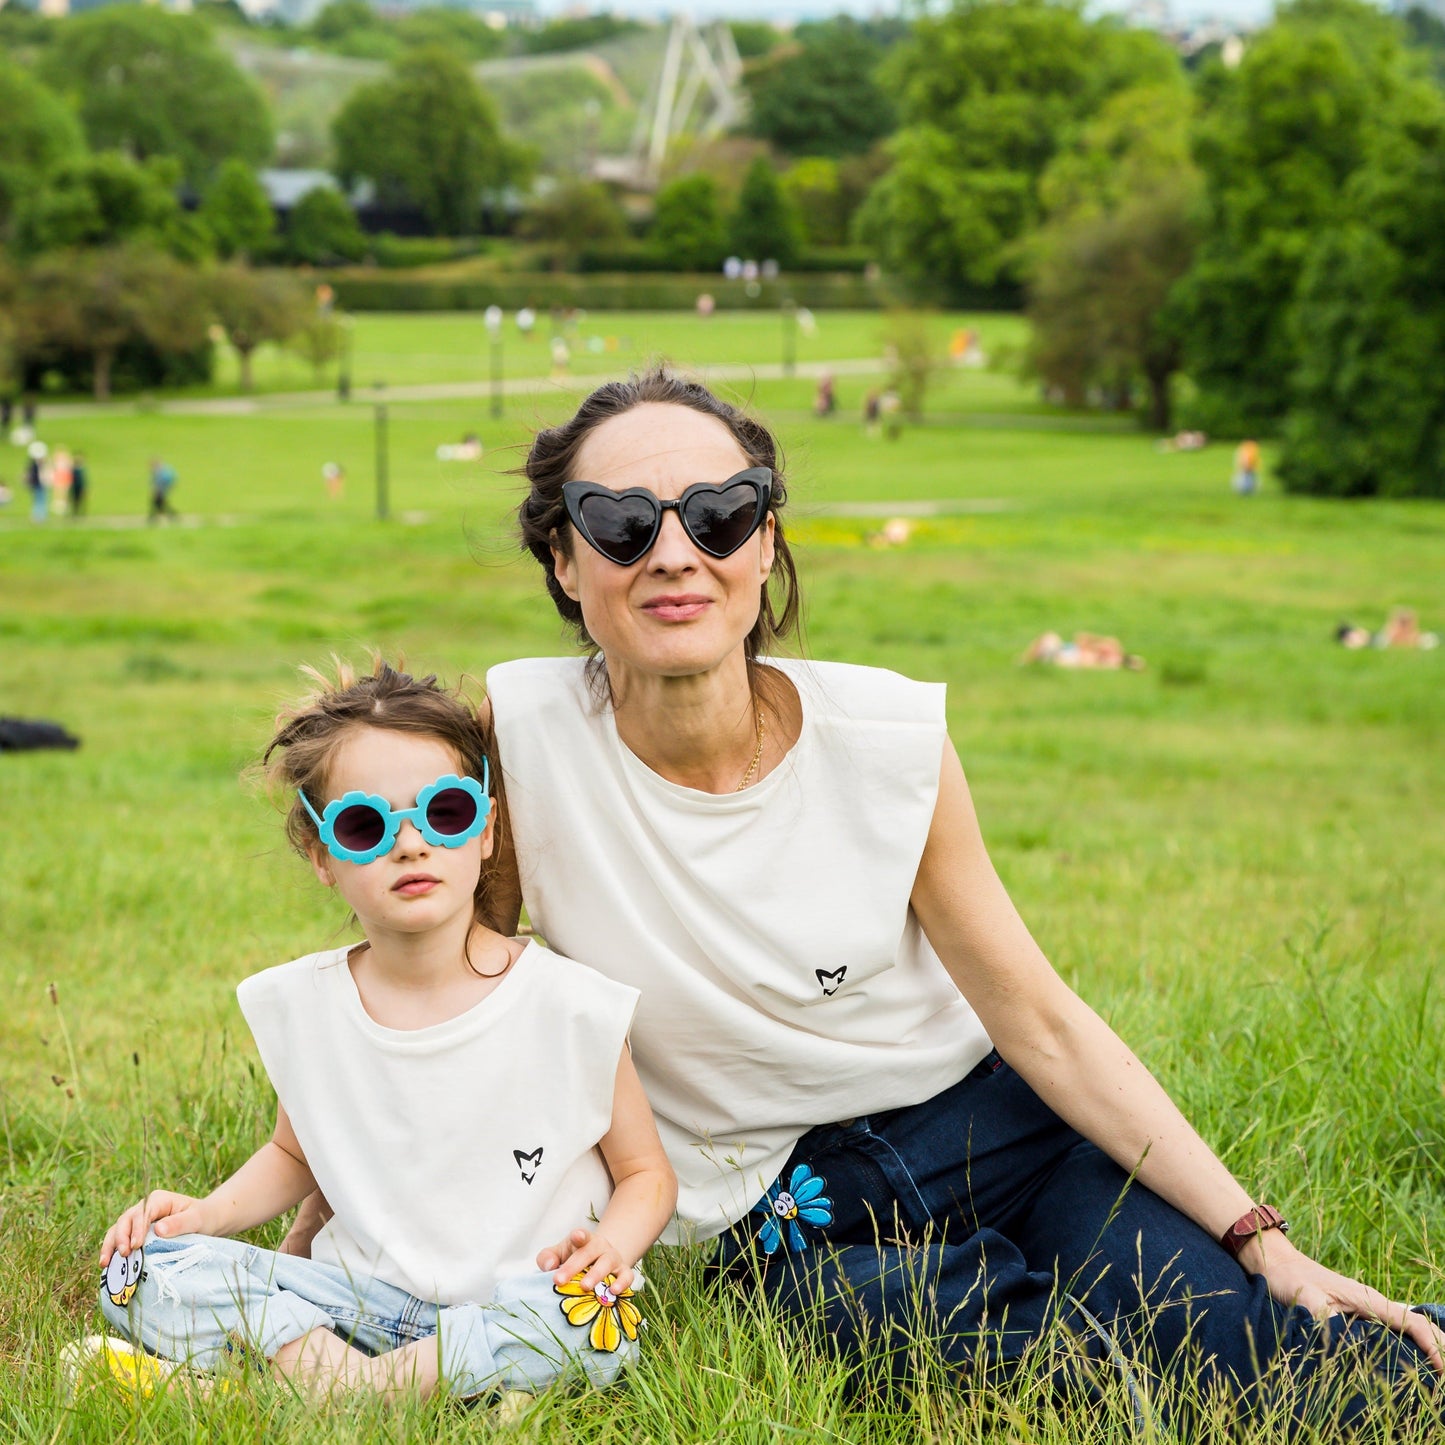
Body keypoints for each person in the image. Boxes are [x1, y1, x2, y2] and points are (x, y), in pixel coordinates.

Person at [445, 368, 1440, 1430]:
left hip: (989, 1127)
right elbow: (455, 995)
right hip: (780, 1210)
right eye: (622, 523)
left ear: (766, 540)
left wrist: (1262, 1240)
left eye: (721, 513)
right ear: (563, 555)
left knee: (1213, 1325)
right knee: (900, 1336)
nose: (677, 554)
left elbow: (1040, 1020)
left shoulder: (884, 740)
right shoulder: (520, 740)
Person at [85, 660, 675, 1404]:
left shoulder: (569, 1005)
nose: (411, 842)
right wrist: (204, 1215)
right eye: (366, 824)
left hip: (517, 1300)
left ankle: (314, 1388)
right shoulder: (311, 1004)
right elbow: (292, 1153)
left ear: (486, 831)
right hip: (355, 1303)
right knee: (140, 1267)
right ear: (322, 855)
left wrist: (610, 1248)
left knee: (597, 1325)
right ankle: (383, 1383)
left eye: (446, 812)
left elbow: (647, 1174)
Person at [148, 458, 177, 523]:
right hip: (160, 490)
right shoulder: (157, 472)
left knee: (157, 503)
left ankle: (153, 518)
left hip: (161, 490)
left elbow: (164, 482)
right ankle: (172, 516)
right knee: (159, 504)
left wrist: (157, 490)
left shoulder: (162, 472)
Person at [69, 453, 87, 518]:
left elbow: (83, 480)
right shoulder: (74, 469)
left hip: (80, 487)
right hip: (74, 487)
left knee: (80, 501)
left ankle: (80, 514)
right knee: (74, 501)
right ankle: (74, 513)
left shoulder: (81, 469)